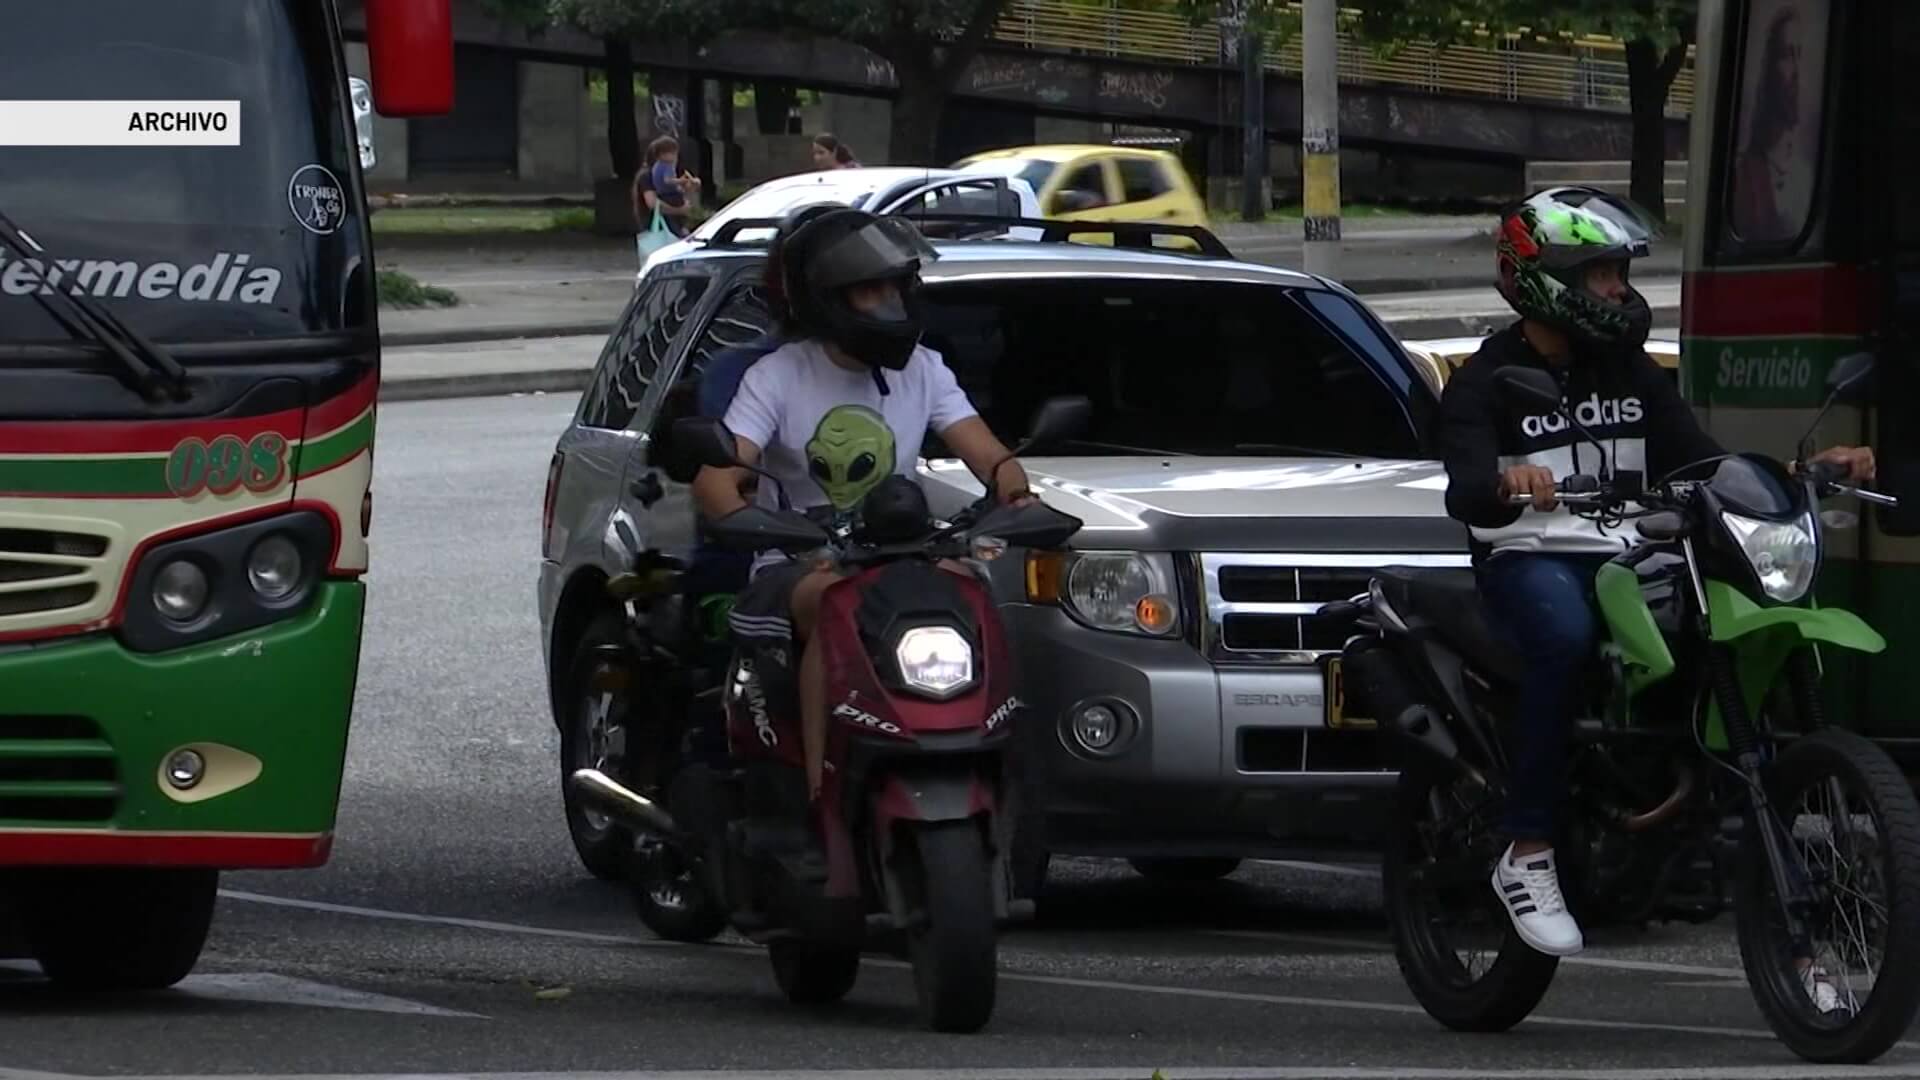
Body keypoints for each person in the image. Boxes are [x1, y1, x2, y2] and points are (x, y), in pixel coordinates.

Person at [1436, 186, 1875, 959]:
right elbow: (1464, 488)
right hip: (1535, 560)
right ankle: (1528, 850)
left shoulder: (1629, 372)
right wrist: (1509, 484)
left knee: (1719, 623)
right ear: (1547, 279)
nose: (1619, 291)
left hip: (1633, 555)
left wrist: (1798, 470)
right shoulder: (1485, 382)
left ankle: (1706, 794)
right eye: (1601, 275)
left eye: (1619, 274)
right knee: (1565, 640)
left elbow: (1701, 458)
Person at [690, 208, 1033, 808]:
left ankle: (995, 783)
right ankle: (824, 792)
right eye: (869, 290)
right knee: (833, 606)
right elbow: (721, 475)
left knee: (974, 597)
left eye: (896, 287)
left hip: (903, 554)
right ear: (828, 300)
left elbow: (990, 457)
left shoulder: (925, 369)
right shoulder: (778, 376)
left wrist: (1018, 498)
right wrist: (741, 516)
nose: (889, 303)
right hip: (801, 564)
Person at [635, 135, 702, 238]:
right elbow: (652, 203)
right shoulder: (647, 176)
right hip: (659, 226)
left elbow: (684, 195)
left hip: (677, 223)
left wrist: (692, 186)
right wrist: (679, 210)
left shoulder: (672, 172)